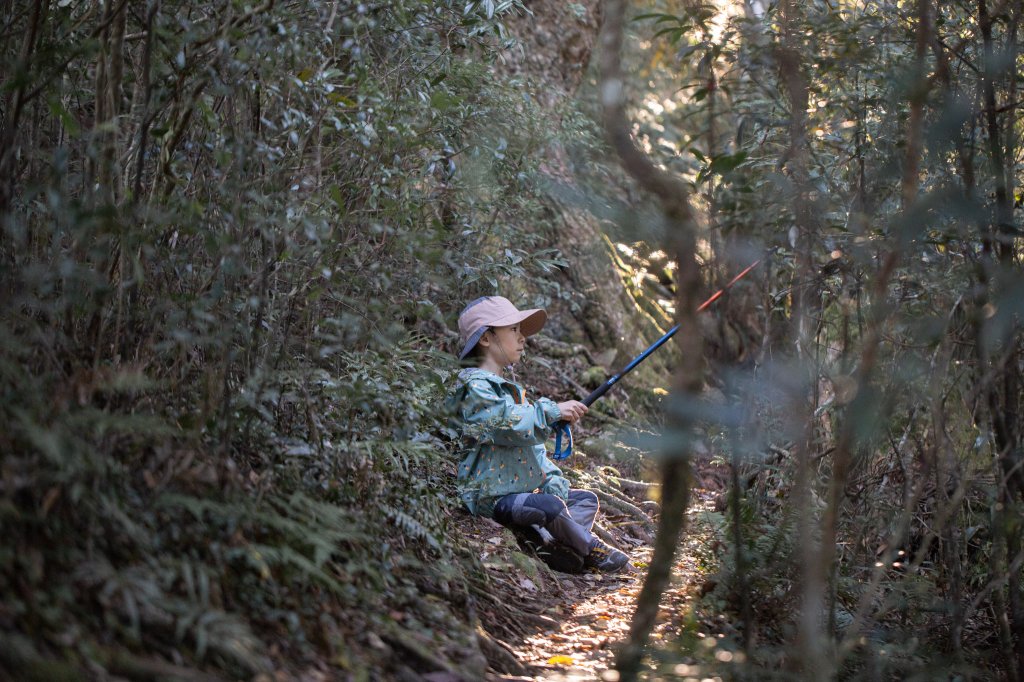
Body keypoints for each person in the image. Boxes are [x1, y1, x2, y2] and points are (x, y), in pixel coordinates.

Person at [446, 295, 630, 573]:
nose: (522, 338)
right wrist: (551, 411)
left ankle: (552, 545)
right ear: (486, 338)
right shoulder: (474, 388)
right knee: (549, 506)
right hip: (492, 498)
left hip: (521, 492)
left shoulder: (509, 390)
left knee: (584, 499)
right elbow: (506, 425)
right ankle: (591, 548)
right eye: (514, 330)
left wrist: (553, 481)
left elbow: (531, 448)